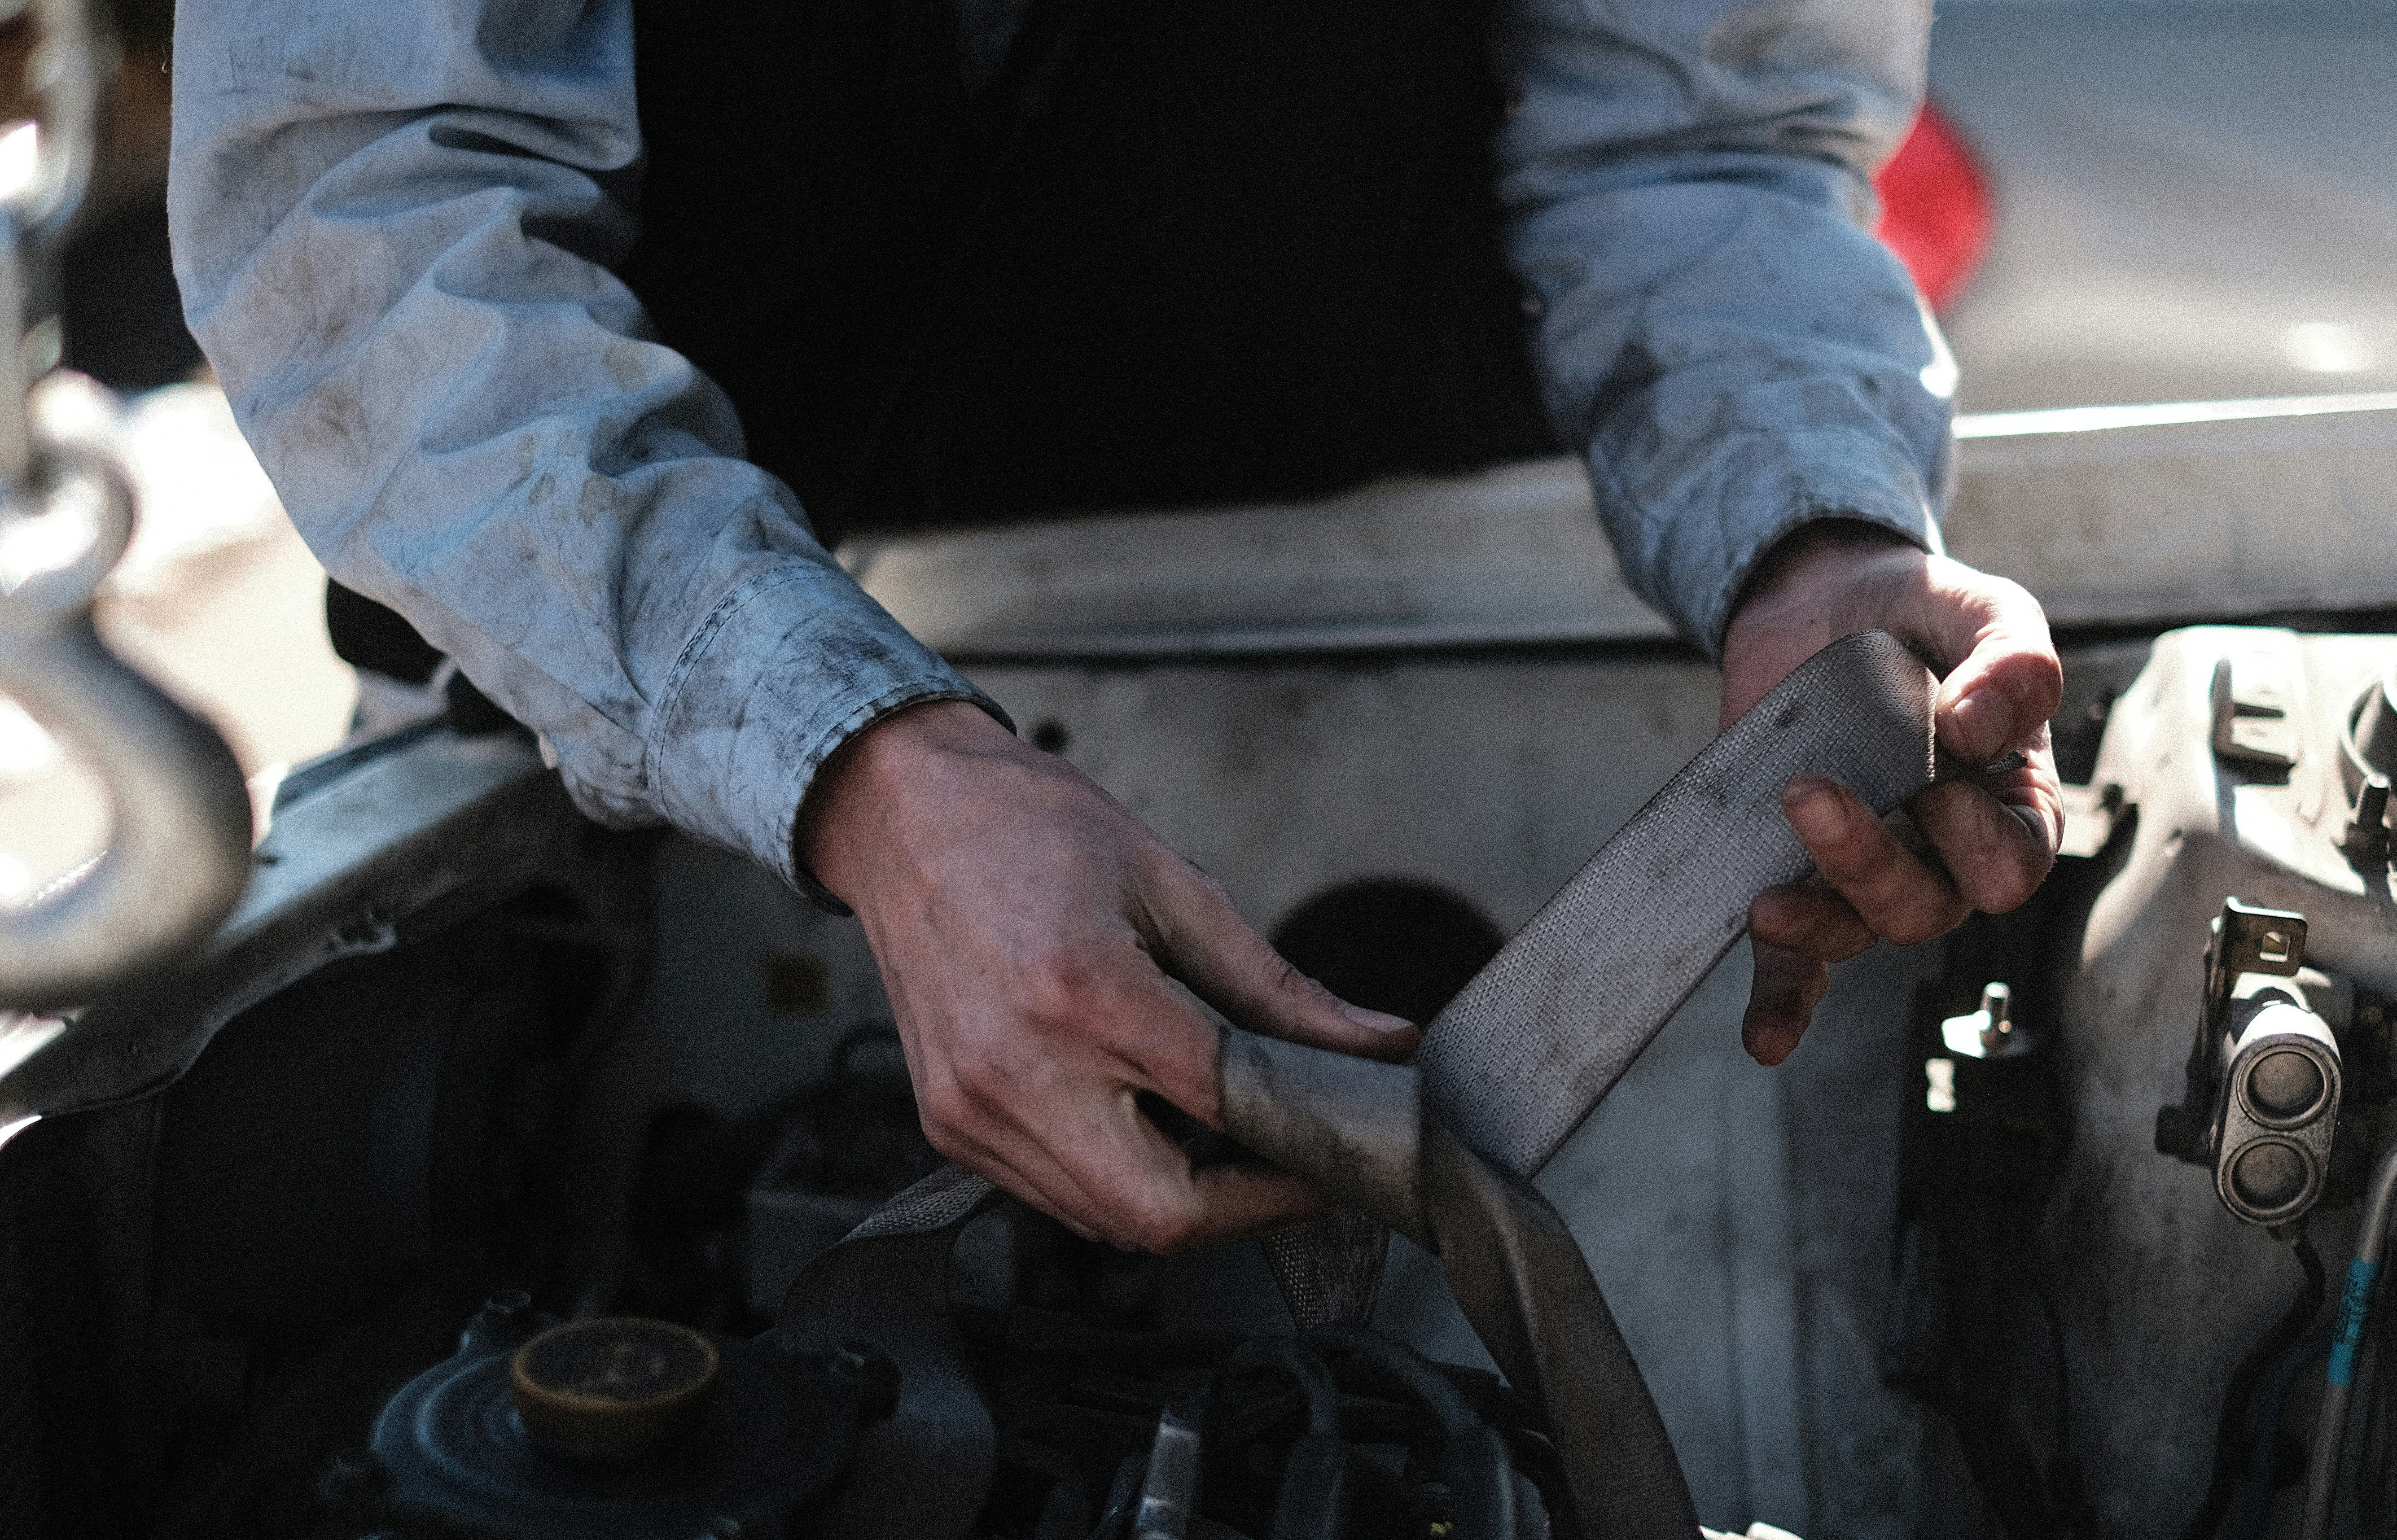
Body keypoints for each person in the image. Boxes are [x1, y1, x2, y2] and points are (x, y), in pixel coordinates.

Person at [170, 0, 2060, 1258]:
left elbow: (1708, 139)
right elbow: (362, 206)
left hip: (1407, 630)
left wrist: (1809, 540)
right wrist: (851, 757)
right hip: (602, 703)